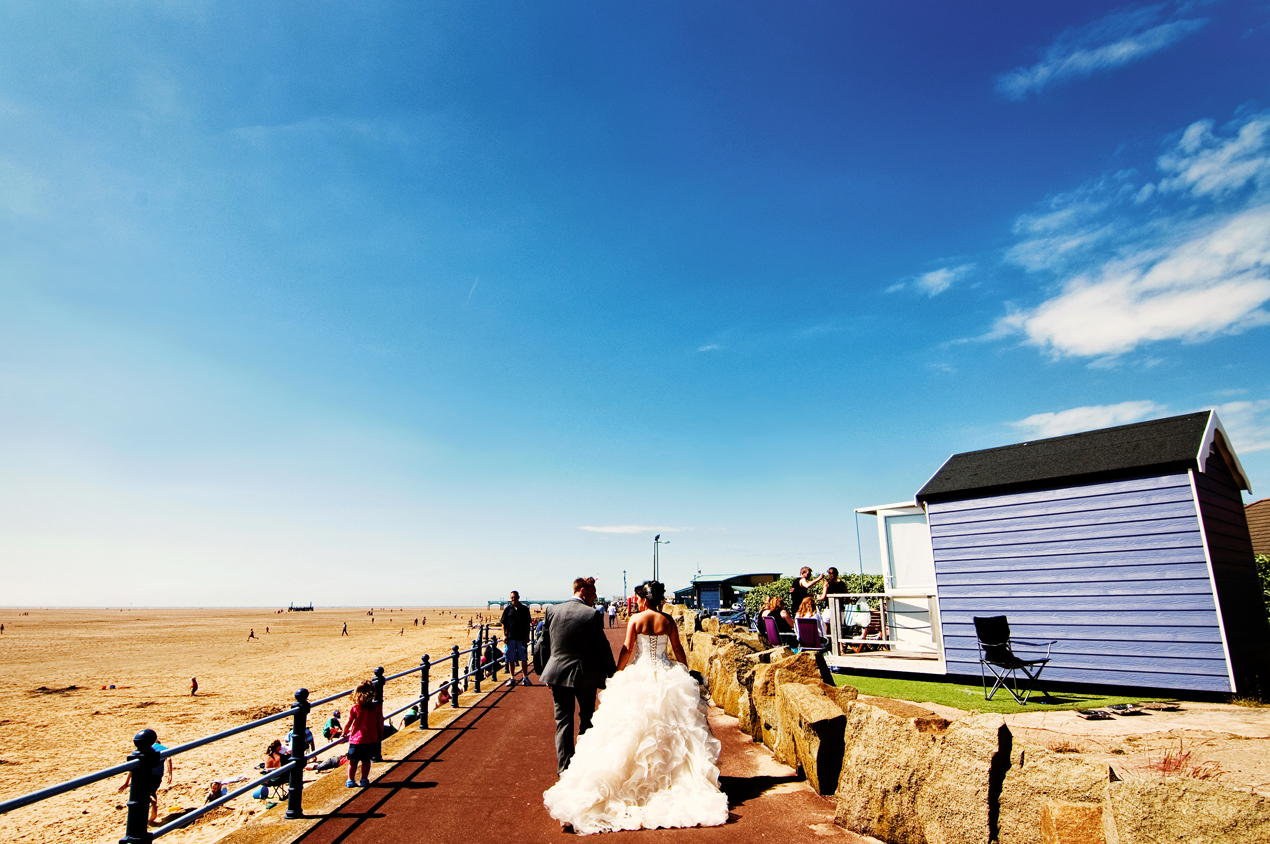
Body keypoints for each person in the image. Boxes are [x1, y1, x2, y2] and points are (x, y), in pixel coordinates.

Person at [543, 580, 728, 835]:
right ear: (660, 598)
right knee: (670, 731)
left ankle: (625, 783)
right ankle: (668, 780)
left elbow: (628, 650)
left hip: (640, 674)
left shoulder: (635, 620)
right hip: (665, 674)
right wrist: (684, 671)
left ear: (644, 598)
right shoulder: (668, 621)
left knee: (631, 730)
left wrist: (618, 674)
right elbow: (677, 649)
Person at [535, 576, 617, 775]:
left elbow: (543, 643)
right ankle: (583, 764)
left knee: (563, 722)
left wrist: (545, 671)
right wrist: (613, 675)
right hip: (585, 676)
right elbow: (602, 648)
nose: (595, 597)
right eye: (593, 592)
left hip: (557, 674)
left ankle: (564, 769)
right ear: (583, 591)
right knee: (586, 718)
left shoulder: (552, 611)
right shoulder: (591, 614)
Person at [117, 739, 174, 825]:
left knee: (142, 794)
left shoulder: (147, 748)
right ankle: (153, 812)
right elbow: (169, 759)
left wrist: (126, 783)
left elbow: (133, 767)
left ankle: (149, 807)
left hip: (146, 774)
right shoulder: (164, 748)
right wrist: (170, 774)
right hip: (158, 775)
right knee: (152, 791)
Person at [343, 680, 382, 788]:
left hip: (356, 740)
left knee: (353, 762)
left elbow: (348, 723)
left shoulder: (355, 708)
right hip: (371, 738)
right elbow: (380, 723)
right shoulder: (377, 707)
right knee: (366, 760)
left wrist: (344, 732)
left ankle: (350, 780)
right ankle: (364, 779)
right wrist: (380, 733)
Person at [500, 590, 533, 687]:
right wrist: (503, 635)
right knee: (510, 657)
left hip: (521, 637)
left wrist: (527, 635)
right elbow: (503, 623)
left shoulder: (524, 609)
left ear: (518, 597)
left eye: (515, 597)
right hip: (510, 637)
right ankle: (512, 677)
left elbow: (528, 623)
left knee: (523, 657)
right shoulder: (507, 609)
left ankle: (525, 677)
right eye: (512, 598)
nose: (513, 599)